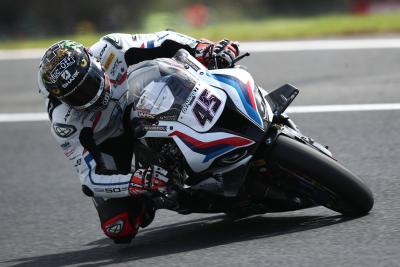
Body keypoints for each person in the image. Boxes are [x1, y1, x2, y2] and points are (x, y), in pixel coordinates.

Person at [37, 30, 239, 244]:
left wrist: (204, 49)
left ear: (94, 62)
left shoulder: (110, 49)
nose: (90, 96)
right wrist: (135, 181)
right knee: (119, 226)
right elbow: (90, 178)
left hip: (136, 101)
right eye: (78, 96)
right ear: (63, 99)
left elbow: (164, 40)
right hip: (108, 141)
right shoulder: (64, 123)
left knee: (208, 60)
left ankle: (231, 105)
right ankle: (164, 196)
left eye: (91, 82)